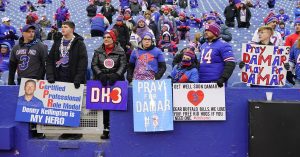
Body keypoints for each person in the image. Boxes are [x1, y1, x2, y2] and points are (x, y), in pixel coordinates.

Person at [46, 21, 87, 140]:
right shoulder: (57, 42)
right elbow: (50, 60)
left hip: (74, 79)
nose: (62, 29)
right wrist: (50, 75)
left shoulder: (79, 43)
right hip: (60, 78)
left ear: (72, 29)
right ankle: (66, 131)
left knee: (75, 106)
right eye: (62, 27)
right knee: (63, 107)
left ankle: (76, 132)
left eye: (65, 27)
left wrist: (78, 78)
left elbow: (82, 62)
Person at [91, 29, 127, 139]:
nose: (106, 39)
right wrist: (100, 74)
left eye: (108, 37)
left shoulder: (120, 51)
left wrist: (116, 75)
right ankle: (106, 128)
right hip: (102, 81)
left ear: (113, 39)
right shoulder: (98, 51)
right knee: (105, 106)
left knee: (116, 106)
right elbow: (94, 64)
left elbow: (123, 65)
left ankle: (117, 129)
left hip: (116, 82)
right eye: (105, 37)